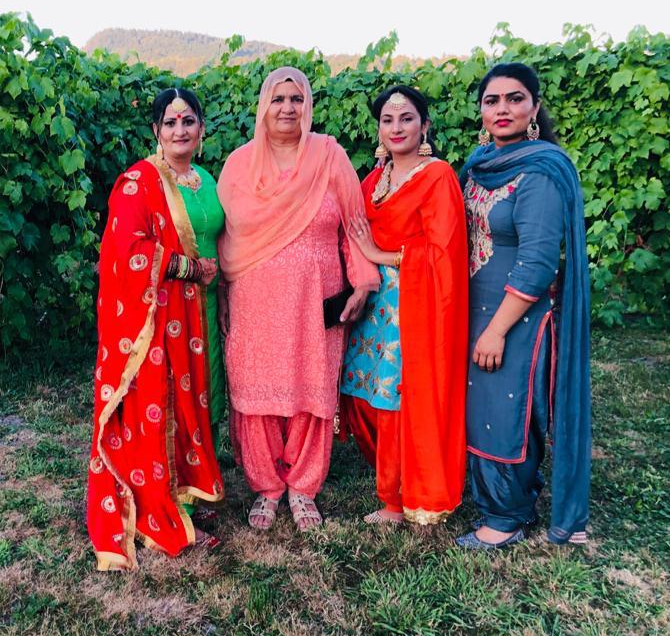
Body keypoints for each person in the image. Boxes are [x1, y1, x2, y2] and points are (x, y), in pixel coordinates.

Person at [217, 66, 379, 532]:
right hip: (254, 299)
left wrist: (362, 282)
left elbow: (354, 226)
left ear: (308, 105)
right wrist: (223, 293)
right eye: (278, 99)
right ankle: (267, 486)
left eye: (297, 99)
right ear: (263, 107)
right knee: (255, 388)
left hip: (316, 299)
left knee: (313, 387)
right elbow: (224, 237)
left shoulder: (329, 155)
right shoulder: (239, 165)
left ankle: (304, 486)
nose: (288, 108)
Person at [87, 87, 225, 571]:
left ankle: (185, 493)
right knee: (159, 403)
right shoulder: (138, 182)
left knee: (197, 400)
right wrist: (189, 269)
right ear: (155, 131)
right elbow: (126, 250)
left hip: (201, 311)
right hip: (157, 317)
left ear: (201, 129)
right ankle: (156, 509)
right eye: (170, 123)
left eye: (188, 121)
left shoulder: (205, 180)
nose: (180, 130)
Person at [455, 63, 592, 549]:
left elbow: (537, 263)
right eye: (492, 100)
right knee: (479, 408)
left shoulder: (541, 171)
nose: (503, 109)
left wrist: (496, 330)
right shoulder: (479, 164)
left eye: (515, 99)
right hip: (472, 310)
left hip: (516, 317)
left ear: (534, 107)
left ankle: (506, 517)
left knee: (505, 412)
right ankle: (491, 500)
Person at [342, 85, 468, 526]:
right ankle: (392, 483)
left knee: (397, 397)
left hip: (416, 303)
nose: (396, 128)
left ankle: (399, 499)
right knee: (368, 395)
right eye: (388, 120)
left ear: (425, 126)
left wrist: (379, 255)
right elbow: (350, 231)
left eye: (407, 118)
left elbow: (444, 252)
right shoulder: (373, 181)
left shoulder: (437, 177)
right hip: (374, 304)